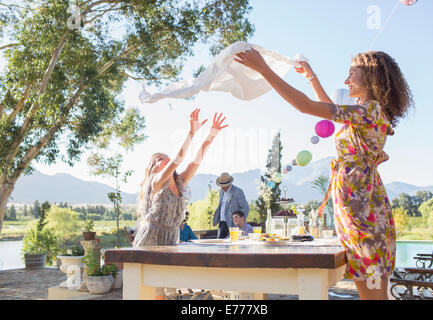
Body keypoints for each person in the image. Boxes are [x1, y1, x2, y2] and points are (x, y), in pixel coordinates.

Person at [234, 49, 413, 300]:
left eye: (352, 74)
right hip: (359, 214)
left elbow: (307, 106)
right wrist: (311, 76)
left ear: (372, 79)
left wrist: (264, 70)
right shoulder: (361, 113)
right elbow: (329, 108)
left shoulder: (370, 111)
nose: (346, 81)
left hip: (365, 217)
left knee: (373, 297)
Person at [132, 109, 228, 298]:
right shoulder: (155, 182)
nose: (163, 158)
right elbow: (178, 159)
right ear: (153, 167)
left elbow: (195, 162)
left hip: (171, 237)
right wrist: (191, 133)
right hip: (152, 238)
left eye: (163, 156)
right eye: (158, 159)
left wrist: (210, 137)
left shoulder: (179, 183)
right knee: (152, 292)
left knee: (167, 292)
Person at [213, 172, 250, 239]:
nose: (222, 187)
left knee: (234, 245)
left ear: (229, 183)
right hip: (222, 223)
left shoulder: (238, 191)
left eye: (224, 185)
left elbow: (245, 208)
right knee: (220, 245)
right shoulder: (221, 192)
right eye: (221, 185)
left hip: (234, 224)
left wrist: (241, 223)